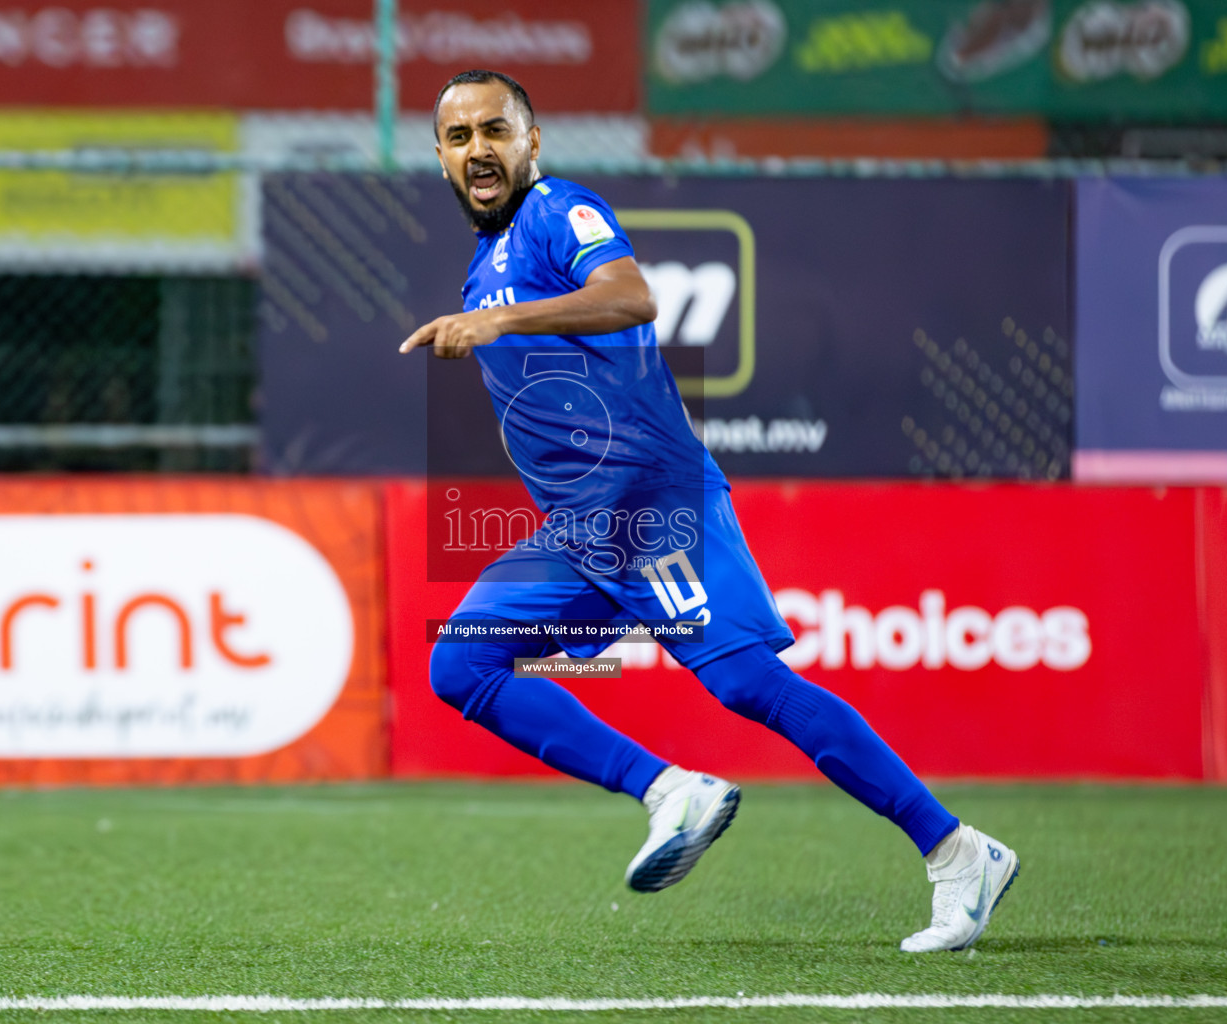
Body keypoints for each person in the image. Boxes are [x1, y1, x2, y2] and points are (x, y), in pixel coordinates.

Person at [399, 69, 1018, 953]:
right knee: (462, 665)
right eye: (459, 138)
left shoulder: (558, 211)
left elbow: (631, 297)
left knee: (747, 686)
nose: (478, 150)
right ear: (441, 158)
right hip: (579, 535)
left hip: (655, 509)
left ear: (531, 143)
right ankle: (669, 793)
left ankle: (959, 853)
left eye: (495, 130)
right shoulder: (481, 266)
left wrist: (499, 327)